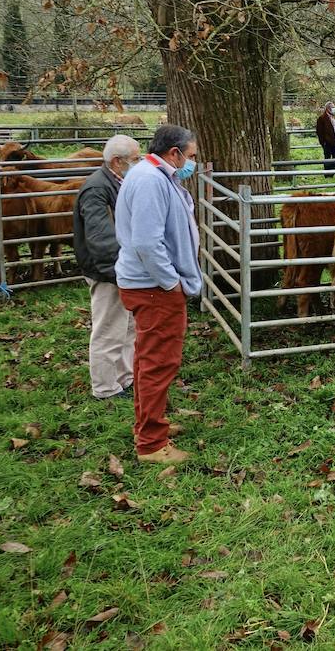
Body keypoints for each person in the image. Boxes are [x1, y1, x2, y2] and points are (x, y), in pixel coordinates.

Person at [115, 124, 201, 465]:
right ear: (174, 153)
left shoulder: (153, 175)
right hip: (154, 288)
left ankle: (148, 424)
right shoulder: (151, 181)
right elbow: (147, 242)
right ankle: (152, 444)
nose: (193, 162)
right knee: (158, 362)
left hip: (148, 284)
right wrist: (170, 282)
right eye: (191, 156)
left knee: (145, 358)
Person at [72, 134, 141, 401]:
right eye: (135, 159)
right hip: (108, 270)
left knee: (126, 326)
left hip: (119, 268)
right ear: (117, 161)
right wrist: (118, 272)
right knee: (109, 327)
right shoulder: (97, 189)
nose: (139, 163)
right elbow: (101, 239)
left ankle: (122, 379)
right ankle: (105, 388)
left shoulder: (115, 182)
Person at [315, 101, 335, 178]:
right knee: (327, 157)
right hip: (327, 142)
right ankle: (327, 174)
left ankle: (332, 173)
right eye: (332, 107)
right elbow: (319, 132)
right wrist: (323, 142)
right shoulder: (322, 118)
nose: (333, 109)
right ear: (327, 108)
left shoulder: (333, 117)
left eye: (334, 107)